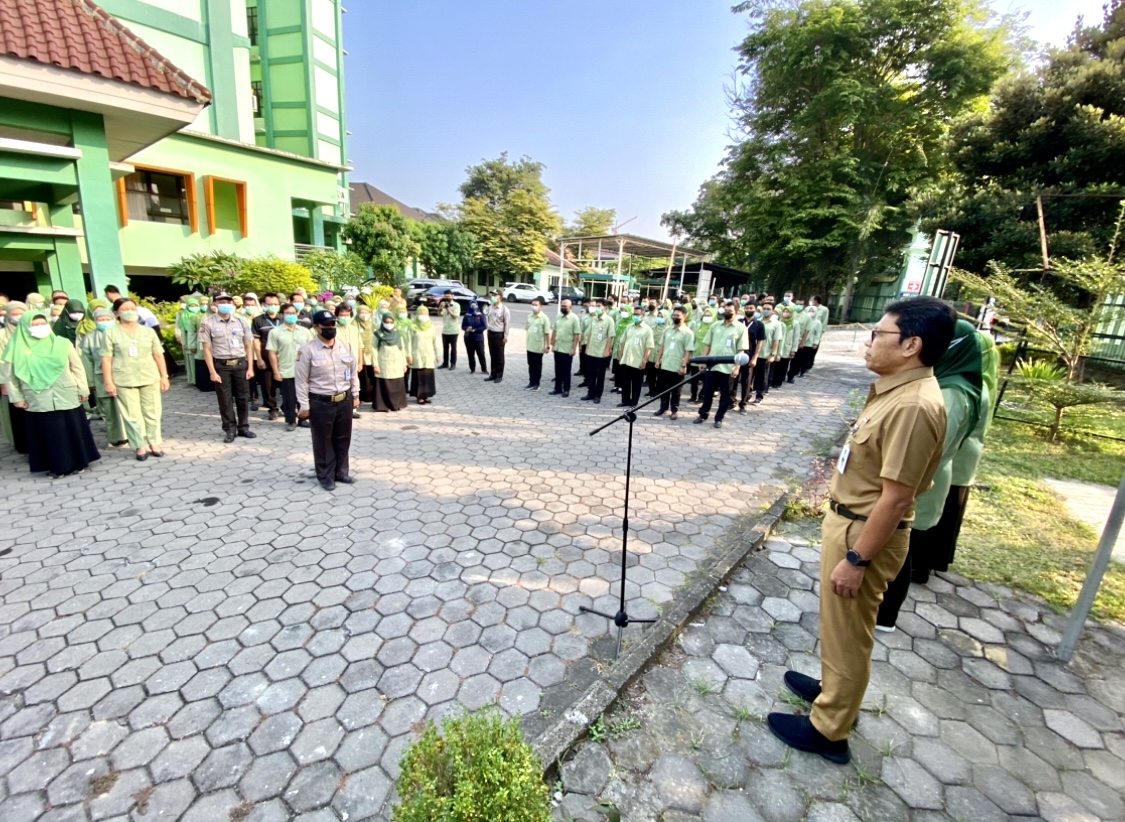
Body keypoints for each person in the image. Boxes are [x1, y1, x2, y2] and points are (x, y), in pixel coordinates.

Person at [767, 296, 954, 765]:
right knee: (838, 624)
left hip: (863, 534)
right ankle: (833, 691)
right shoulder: (893, 390)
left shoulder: (914, 406)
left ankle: (829, 730)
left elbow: (895, 498)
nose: (869, 342)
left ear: (911, 344)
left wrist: (858, 560)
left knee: (851, 634)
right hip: (849, 522)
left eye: (879, 334)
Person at [876, 318, 984, 629]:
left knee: (897, 553)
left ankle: (885, 615)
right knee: (899, 549)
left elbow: (924, 452)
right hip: (925, 482)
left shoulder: (950, 394)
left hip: (918, 484)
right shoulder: (952, 385)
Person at [3, 310, 100, 478]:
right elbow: (10, 376)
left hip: (66, 393)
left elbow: (76, 367)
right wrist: (17, 397)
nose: (40, 328)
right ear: (25, 327)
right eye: (35, 325)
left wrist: (83, 389)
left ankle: (78, 462)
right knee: (49, 433)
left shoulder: (62, 343)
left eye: (43, 324)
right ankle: (58, 467)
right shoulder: (16, 347)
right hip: (37, 397)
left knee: (71, 429)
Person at [295, 310, 360, 491]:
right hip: (321, 401)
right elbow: (301, 381)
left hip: (344, 399)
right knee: (323, 441)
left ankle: (341, 472)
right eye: (326, 325)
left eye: (333, 324)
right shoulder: (307, 350)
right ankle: (325, 476)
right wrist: (304, 405)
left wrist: (355, 394)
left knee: (343, 438)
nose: (331, 328)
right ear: (316, 327)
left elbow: (353, 372)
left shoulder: (345, 346)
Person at [102, 299, 169, 460]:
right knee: (131, 415)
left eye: (132, 308)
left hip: (149, 376)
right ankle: (139, 445)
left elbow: (158, 355)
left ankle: (154, 442)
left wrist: (164, 376)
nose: (130, 311)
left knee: (152, 412)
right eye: (125, 309)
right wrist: (108, 381)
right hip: (124, 379)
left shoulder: (148, 332)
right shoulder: (111, 333)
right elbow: (106, 359)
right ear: (117, 313)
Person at [199, 292, 256, 443]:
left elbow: (248, 345)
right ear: (215, 304)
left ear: (233, 304)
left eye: (228, 301)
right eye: (221, 301)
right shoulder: (207, 322)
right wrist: (212, 371)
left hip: (240, 364)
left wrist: (250, 367)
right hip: (221, 365)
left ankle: (243, 427)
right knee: (225, 399)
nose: (225, 304)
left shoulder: (241, 321)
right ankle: (230, 429)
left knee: (243, 398)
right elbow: (206, 349)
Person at [693, 303, 748, 429]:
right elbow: (707, 344)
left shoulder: (741, 328)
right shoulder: (715, 325)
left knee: (725, 395)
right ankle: (703, 414)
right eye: (726, 310)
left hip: (728, 368)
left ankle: (719, 418)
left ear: (736, 312)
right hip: (713, 366)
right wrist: (703, 360)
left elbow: (741, 350)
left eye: (731, 310)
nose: (728, 312)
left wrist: (737, 367)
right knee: (707, 392)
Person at [79, 307, 127, 447]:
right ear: (95, 321)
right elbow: (86, 362)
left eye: (107, 319)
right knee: (109, 410)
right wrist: (91, 382)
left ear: (113, 319)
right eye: (101, 320)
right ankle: (116, 438)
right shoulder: (89, 338)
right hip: (101, 378)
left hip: (123, 376)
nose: (104, 322)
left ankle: (133, 435)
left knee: (128, 406)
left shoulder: (122, 333)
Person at [266, 303, 315, 431]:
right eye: (288, 313)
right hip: (286, 370)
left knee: (303, 396)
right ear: (282, 315)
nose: (291, 316)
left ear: (297, 314)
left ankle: (303, 419)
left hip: (304, 371)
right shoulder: (275, 332)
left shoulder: (305, 331)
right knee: (289, 398)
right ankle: (291, 420)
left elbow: (313, 350)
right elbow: (272, 353)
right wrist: (276, 371)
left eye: (293, 313)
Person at [654, 306, 695, 420]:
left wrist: (684, 365)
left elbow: (688, 351)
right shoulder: (668, 329)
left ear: (684, 316)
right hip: (665, 364)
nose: (675, 317)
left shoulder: (688, 333)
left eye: (678, 315)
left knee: (676, 391)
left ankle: (674, 410)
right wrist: (658, 360)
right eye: (674, 315)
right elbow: (662, 346)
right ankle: (663, 407)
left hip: (677, 366)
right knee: (664, 388)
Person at [0, 301, 29, 453]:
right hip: (12, 381)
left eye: (22, 313)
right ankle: (23, 446)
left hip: (33, 381)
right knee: (18, 416)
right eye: (15, 314)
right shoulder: (2, 335)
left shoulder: (32, 332)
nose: (19, 317)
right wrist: (3, 382)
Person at [251, 293, 283, 420]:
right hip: (266, 357)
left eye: (275, 304)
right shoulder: (258, 320)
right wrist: (258, 358)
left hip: (284, 357)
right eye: (269, 304)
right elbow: (256, 340)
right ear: (263, 305)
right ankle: (272, 409)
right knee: (268, 385)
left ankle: (286, 406)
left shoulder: (284, 318)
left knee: (286, 385)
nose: (272, 307)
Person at [616, 305, 654, 407]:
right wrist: (621, 356)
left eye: (638, 314)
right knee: (625, 382)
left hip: (637, 361)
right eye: (634, 314)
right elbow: (623, 342)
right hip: (626, 359)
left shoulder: (647, 330)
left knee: (636, 384)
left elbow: (649, 347)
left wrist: (644, 361)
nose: (635, 316)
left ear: (643, 316)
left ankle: (634, 402)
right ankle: (625, 400)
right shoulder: (629, 327)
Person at [372, 310, 409, 412]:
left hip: (396, 364)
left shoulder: (398, 334)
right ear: (383, 322)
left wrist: (404, 364)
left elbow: (402, 349)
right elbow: (374, 349)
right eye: (386, 322)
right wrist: (375, 365)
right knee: (384, 385)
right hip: (383, 363)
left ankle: (396, 404)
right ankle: (383, 406)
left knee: (396, 385)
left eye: (391, 322)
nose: (388, 324)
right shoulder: (377, 334)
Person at [580, 300, 615, 404]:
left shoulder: (609, 320)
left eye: (599, 306)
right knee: (591, 374)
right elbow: (590, 334)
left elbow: (610, 336)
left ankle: (598, 395)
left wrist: (607, 350)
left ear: (605, 308)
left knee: (600, 376)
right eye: (596, 306)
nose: (597, 308)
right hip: (592, 351)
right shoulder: (594, 319)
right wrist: (587, 347)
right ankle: (590, 393)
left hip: (601, 352)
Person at [334, 302, 365, 418]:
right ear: (337, 316)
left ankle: (353, 409)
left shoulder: (354, 329)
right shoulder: (334, 330)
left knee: (354, 385)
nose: (345, 317)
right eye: (342, 314)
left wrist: (361, 361)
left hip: (353, 363)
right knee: (341, 386)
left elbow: (360, 346)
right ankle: (341, 409)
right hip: (339, 364)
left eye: (347, 315)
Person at [736, 306, 766, 413]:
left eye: (751, 308)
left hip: (749, 356)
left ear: (755, 310)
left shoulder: (759, 325)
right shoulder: (738, 322)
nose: (749, 310)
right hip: (736, 355)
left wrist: (755, 358)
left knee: (746, 381)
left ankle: (743, 404)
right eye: (747, 308)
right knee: (733, 380)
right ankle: (730, 401)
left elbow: (760, 342)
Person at [549, 299, 581, 398]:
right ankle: (557, 388)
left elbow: (576, 335)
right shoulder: (558, 316)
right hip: (558, 347)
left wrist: (574, 348)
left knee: (566, 371)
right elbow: (554, 330)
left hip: (567, 349)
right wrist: (552, 344)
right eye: (562, 306)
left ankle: (566, 389)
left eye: (565, 307)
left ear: (570, 307)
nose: (563, 308)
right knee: (557, 370)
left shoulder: (574, 318)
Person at [409, 306, 440, 404]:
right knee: (419, 376)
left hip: (429, 355)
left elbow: (435, 341)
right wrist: (409, 355)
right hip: (417, 354)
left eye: (425, 314)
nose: (423, 316)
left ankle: (426, 395)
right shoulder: (413, 326)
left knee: (428, 376)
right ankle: (419, 396)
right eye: (421, 314)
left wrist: (437, 354)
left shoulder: (431, 326)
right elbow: (408, 342)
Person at [525, 299, 551, 391]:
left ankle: (536, 384)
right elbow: (527, 329)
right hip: (530, 346)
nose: (534, 306)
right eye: (532, 304)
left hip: (539, 347)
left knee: (537, 366)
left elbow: (547, 333)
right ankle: (531, 382)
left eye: (536, 305)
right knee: (530, 365)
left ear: (541, 307)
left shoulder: (544, 318)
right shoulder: (529, 316)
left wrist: (548, 346)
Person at [484, 290, 510, 384]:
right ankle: (493, 374)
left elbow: (507, 324)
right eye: (492, 295)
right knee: (492, 355)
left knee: (499, 356)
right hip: (490, 332)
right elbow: (488, 319)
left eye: (495, 295)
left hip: (499, 334)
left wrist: (505, 336)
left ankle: (499, 375)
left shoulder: (504, 309)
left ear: (500, 297)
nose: (493, 296)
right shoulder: (490, 307)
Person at [461, 301, 487, 375]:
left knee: (481, 353)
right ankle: (472, 369)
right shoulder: (467, 315)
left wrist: (475, 330)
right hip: (469, 337)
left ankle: (484, 369)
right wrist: (467, 328)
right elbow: (463, 326)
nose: (473, 307)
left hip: (478, 337)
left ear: (477, 306)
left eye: (475, 305)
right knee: (470, 354)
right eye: (471, 305)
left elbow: (484, 326)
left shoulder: (480, 315)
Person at [438, 290, 461, 370]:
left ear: (452, 296)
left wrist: (448, 309)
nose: (447, 298)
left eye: (448, 296)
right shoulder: (444, 304)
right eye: (445, 296)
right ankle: (445, 363)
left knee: (453, 348)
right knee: (445, 348)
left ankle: (453, 363)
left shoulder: (456, 305)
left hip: (453, 330)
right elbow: (439, 314)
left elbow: (455, 316)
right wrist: (440, 308)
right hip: (445, 330)